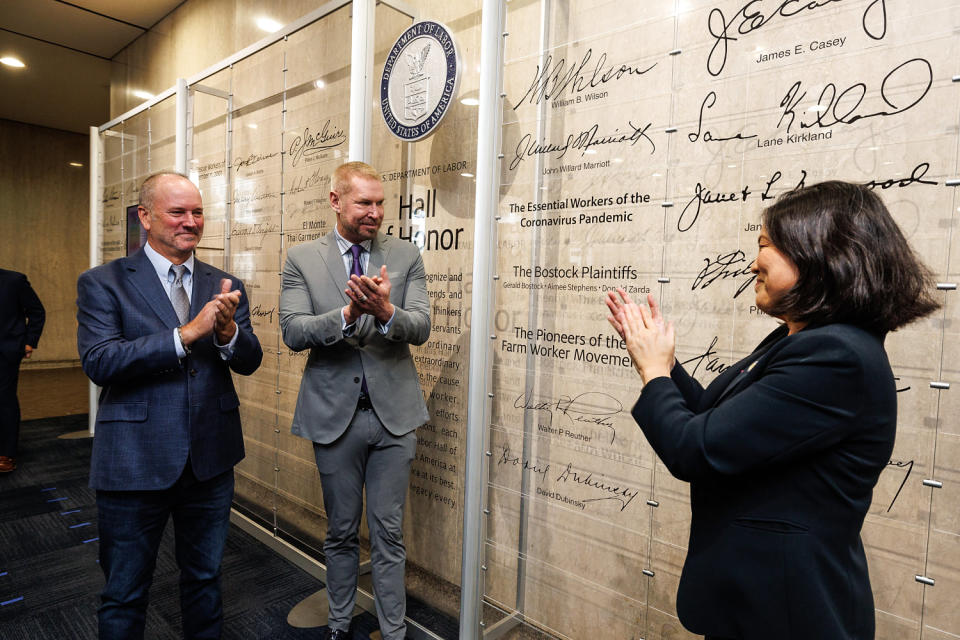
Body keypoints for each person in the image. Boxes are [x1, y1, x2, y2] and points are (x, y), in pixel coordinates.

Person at [605, 181, 940, 640]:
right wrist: (660, 361)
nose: (752, 262)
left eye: (765, 245)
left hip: (786, 614)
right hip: (756, 604)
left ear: (821, 253)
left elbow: (695, 449)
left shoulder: (836, 357)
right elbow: (712, 416)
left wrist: (655, 372)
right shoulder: (803, 340)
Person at [77, 171, 263, 639]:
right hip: (134, 462)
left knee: (204, 581)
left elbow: (250, 360)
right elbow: (100, 361)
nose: (190, 221)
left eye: (197, 211)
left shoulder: (225, 282)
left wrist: (228, 336)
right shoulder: (104, 282)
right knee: (124, 592)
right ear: (145, 217)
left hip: (210, 462)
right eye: (177, 211)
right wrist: (186, 335)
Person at [279, 161, 430, 640]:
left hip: (394, 418)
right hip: (333, 418)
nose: (376, 212)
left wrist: (387, 312)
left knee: (389, 534)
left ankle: (394, 631)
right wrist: (346, 313)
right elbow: (293, 331)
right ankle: (339, 626)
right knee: (341, 531)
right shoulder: (302, 258)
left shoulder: (405, 256)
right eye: (364, 202)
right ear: (335, 201)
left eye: (380, 202)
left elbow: (422, 326)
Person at [0, 268, 45, 473]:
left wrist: (29, 342)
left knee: (4, 399)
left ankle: (5, 454)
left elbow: (37, 311)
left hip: (5, 351)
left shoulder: (14, 280)